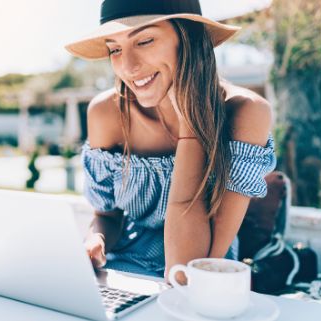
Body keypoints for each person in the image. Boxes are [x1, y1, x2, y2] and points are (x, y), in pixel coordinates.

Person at [64, 0, 276, 280]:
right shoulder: (106, 113)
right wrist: (95, 241)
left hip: (205, 272)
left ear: (188, 38)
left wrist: (192, 123)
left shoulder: (246, 112)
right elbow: (107, 215)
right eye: (114, 49)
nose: (128, 66)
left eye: (145, 41)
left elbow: (186, 272)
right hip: (122, 268)